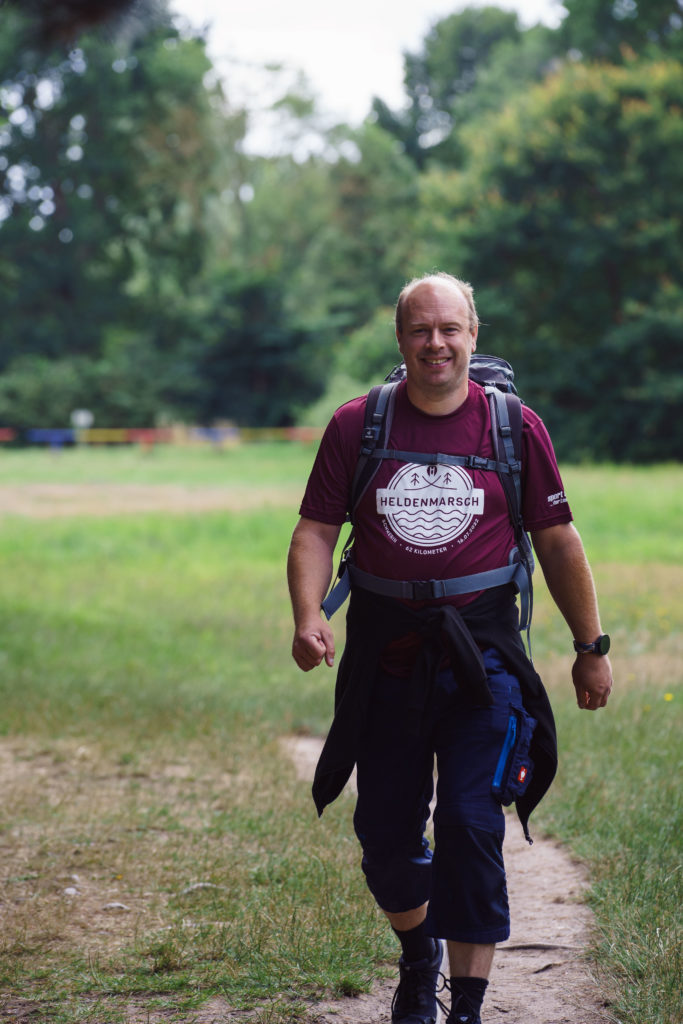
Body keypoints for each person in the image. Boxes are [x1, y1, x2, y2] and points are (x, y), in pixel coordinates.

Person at [287, 272, 613, 1024]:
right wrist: (308, 616)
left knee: (471, 823)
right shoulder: (357, 425)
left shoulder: (514, 427)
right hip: (385, 655)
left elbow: (557, 540)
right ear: (401, 339)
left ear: (472, 334)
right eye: (419, 330)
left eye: (449, 329)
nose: (435, 343)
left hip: (483, 658)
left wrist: (589, 645)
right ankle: (417, 957)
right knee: (385, 836)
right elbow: (314, 531)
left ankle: (466, 1006)